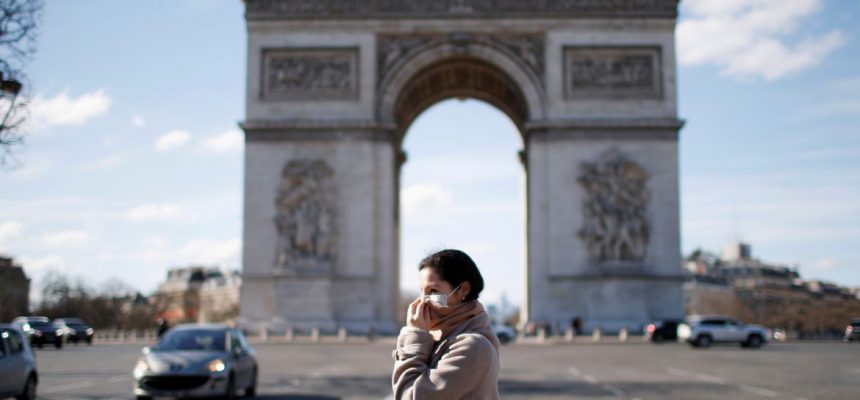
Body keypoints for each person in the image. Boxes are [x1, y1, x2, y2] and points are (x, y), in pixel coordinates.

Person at [392, 249, 500, 399]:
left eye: (433, 290)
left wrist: (414, 335)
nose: (423, 301)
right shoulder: (438, 336)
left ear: (463, 290)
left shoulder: (474, 346)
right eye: (422, 291)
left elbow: (409, 396)